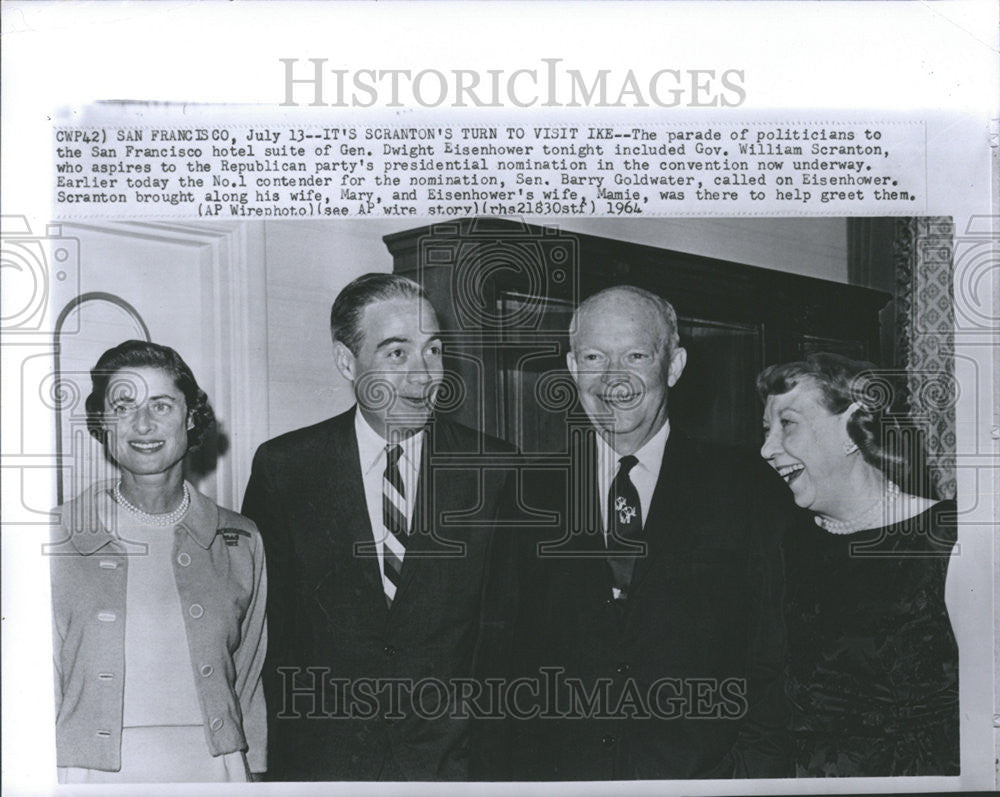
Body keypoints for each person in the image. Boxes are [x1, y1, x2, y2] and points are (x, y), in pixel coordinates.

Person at [241, 273, 514, 781]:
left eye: (432, 351)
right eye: (396, 353)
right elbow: (267, 634)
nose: (422, 377)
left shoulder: (494, 470)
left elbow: (509, 637)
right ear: (348, 361)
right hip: (322, 765)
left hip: (452, 766)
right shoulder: (286, 469)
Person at [512, 285, 792, 779]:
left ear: (675, 366)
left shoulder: (748, 487)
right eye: (595, 356)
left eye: (636, 355)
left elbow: (772, 652)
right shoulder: (522, 495)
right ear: (573, 369)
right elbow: (500, 663)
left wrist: (751, 777)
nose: (614, 378)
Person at [50, 340, 267, 783]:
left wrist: (256, 774)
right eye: (124, 406)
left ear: (190, 417)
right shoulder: (55, 535)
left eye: (162, 405)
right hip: (87, 774)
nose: (143, 424)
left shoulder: (241, 539)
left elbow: (248, 680)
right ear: (103, 423)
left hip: (214, 771)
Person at [757, 352, 959, 776]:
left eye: (788, 424)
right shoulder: (787, 543)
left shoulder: (948, 534)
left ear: (851, 427)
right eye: (766, 429)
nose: (767, 448)